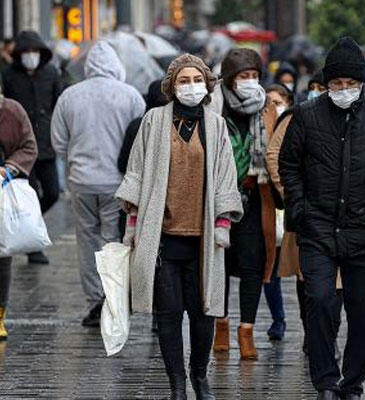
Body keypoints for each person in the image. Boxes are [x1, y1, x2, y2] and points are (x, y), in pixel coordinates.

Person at [280, 36, 365, 400]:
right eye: (337, 84)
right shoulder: (307, 115)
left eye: (351, 84)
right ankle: (324, 380)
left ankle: (352, 382)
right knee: (319, 300)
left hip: (364, 226)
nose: (344, 90)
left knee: (362, 311)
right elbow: (289, 162)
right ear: (326, 84)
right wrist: (299, 207)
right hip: (317, 224)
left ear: (362, 83)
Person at [116, 53, 243, 399]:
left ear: (207, 84)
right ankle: (176, 384)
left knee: (204, 314)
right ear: (172, 86)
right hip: (162, 236)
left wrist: (221, 222)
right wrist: (133, 225)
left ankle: (199, 375)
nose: (191, 87)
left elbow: (225, 178)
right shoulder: (154, 121)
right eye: (183, 81)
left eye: (196, 80)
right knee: (169, 315)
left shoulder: (215, 124)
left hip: (203, 237)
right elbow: (137, 172)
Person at [50, 41, 145, 327]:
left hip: (81, 181)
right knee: (113, 242)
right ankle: (112, 299)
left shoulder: (70, 95)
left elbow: (58, 141)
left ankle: (94, 300)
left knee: (87, 241)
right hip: (117, 184)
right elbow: (139, 139)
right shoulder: (130, 96)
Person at [266, 75, 345, 358]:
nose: (316, 94)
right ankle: (312, 332)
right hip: (305, 212)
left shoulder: (350, 117)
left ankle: (329, 335)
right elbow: (274, 154)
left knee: (337, 281)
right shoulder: (296, 116)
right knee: (306, 276)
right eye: (311, 89)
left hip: (341, 214)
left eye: (321, 88)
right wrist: (291, 192)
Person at [212, 48, 280, 360]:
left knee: (254, 264)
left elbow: (277, 146)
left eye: (254, 76)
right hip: (220, 199)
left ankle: (247, 330)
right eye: (243, 76)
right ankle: (222, 325)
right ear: (230, 79)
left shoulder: (266, 107)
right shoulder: (215, 105)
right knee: (221, 263)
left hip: (255, 197)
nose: (250, 82)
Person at [2, 30, 63, 265]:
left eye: (34, 52)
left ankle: (31, 225)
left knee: (51, 193)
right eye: (26, 52)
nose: (30, 56)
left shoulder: (51, 73)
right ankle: (33, 246)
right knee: (30, 193)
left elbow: (59, 104)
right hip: (19, 149)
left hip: (46, 143)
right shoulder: (9, 75)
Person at [0, 90, 38, 341]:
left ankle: (0, 313)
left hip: (2, 190)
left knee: (1, 256)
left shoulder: (11, 110)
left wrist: (8, 170)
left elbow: (28, 146)